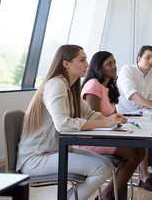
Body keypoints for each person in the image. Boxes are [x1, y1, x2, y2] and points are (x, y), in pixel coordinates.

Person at [16, 45, 128, 200]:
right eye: (82, 60)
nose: (87, 64)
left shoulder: (70, 86)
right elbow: (62, 124)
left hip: (56, 151)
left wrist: (111, 119)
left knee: (107, 165)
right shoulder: (56, 84)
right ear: (65, 63)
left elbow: (89, 114)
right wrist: (103, 123)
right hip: (37, 158)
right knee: (101, 168)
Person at [76, 51, 146, 199]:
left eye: (114, 62)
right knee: (133, 153)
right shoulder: (93, 85)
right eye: (109, 64)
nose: (114, 67)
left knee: (141, 150)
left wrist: (119, 120)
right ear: (98, 67)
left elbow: (110, 116)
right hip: (88, 139)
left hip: (104, 135)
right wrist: (112, 121)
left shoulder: (110, 86)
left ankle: (114, 193)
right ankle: (109, 194)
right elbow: (94, 119)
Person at [116, 45, 152, 191]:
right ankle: (144, 177)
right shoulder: (127, 70)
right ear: (139, 58)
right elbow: (132, 95)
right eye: (148, 57)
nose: (151, 61)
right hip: (126, 117)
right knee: (144, 137)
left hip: (143, 115)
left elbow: (151, 98)